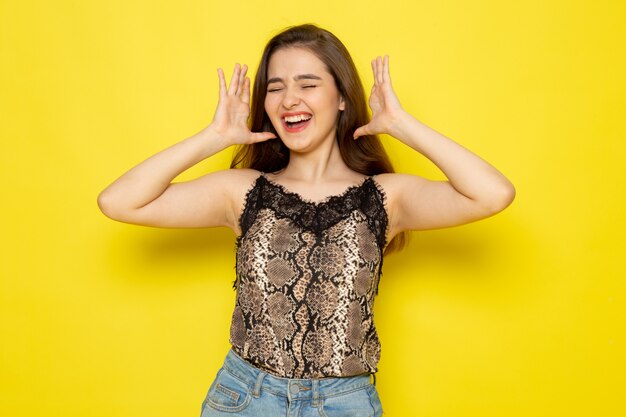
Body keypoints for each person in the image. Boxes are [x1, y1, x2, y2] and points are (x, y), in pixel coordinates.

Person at [98, 24, 514, 417]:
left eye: (307, 84)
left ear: (342, 98)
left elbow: (493, 194)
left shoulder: (387, 197)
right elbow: (119, 202)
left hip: (345, 402)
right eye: (275, 88)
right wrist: (213, 137)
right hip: (246, 397)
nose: (288, 99)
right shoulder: (242, 192)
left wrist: (403, 126)